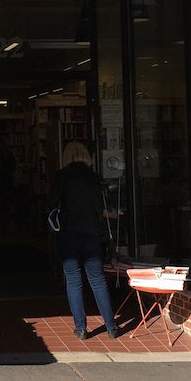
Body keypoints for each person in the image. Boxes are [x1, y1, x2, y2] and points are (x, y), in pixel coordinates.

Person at [50, 145, 118, 340]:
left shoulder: (62, 176)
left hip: (69, 233)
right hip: (92, 233)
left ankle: (81, 328)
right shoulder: (94, 177)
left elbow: (52, 202)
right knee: (97, 280)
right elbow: (99, 207)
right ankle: (111, 326)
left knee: (73, 280)